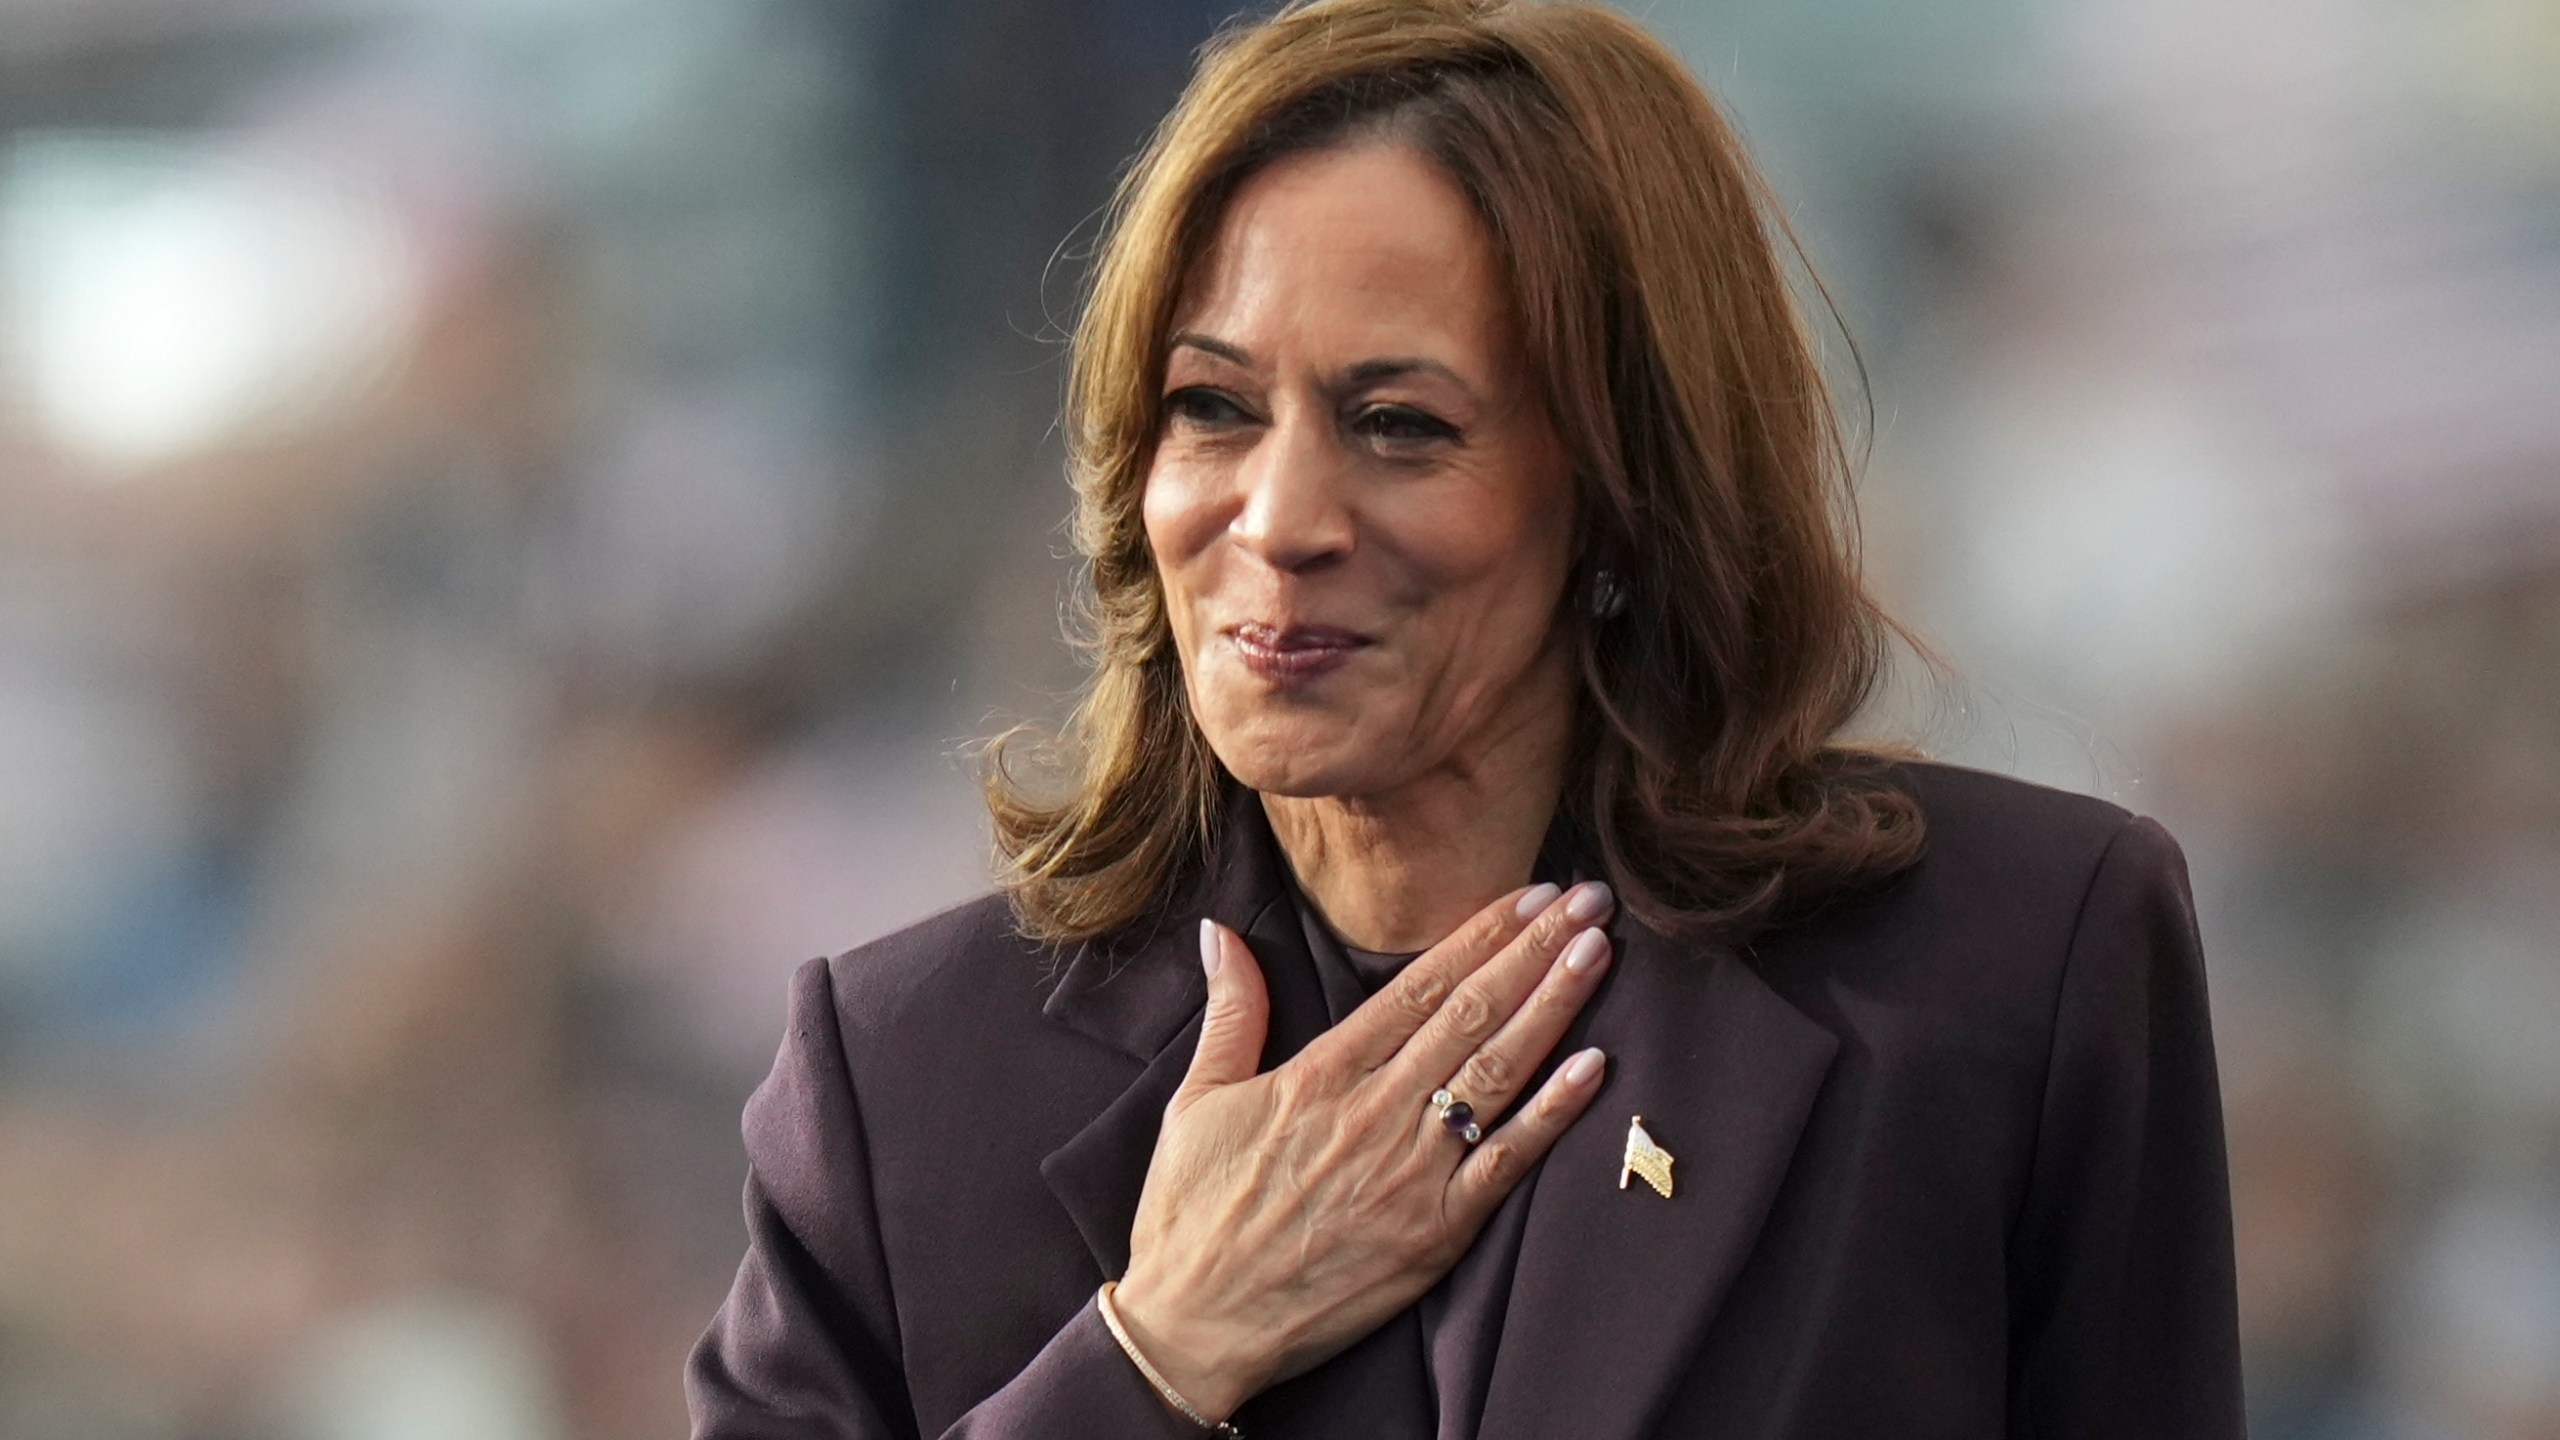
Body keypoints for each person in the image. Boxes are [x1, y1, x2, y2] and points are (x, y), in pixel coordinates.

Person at [684, 1, 2244, 1435]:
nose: (1280, 517)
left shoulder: (2014, 979)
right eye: (1212, 406)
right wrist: (1157, 1356)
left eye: (1399, 425)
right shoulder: (900, 1084)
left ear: (1626, 494)